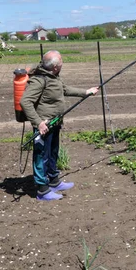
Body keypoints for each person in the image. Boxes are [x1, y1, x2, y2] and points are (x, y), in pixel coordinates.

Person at [20, 50, 99, 201]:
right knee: (41, 156)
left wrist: (86, 92)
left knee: (52, 153)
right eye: (61, 61)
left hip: (55, 122)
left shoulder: (54, 77)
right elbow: (25, 102)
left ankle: (54, 182)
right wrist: (39, 123)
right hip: (44, 125)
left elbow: (65, 90)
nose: (63, 63)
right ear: (55, 66)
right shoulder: (39, 80)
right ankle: (42, 191)